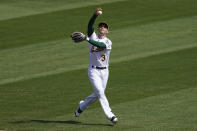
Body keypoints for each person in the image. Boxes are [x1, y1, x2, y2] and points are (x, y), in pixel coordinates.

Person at [74, 8, 118, 124]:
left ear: (107, 31)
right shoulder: (93, 36)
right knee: (100, 92)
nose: (102, 27)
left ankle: (81, 107)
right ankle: (110, 115)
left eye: (104, 27)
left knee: (98, 94)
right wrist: (94, 15)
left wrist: (87, 39)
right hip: (93, 71)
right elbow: (90, 26)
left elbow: (99, 45)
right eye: (100, 26)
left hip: (105, 71)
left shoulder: (108, 42)